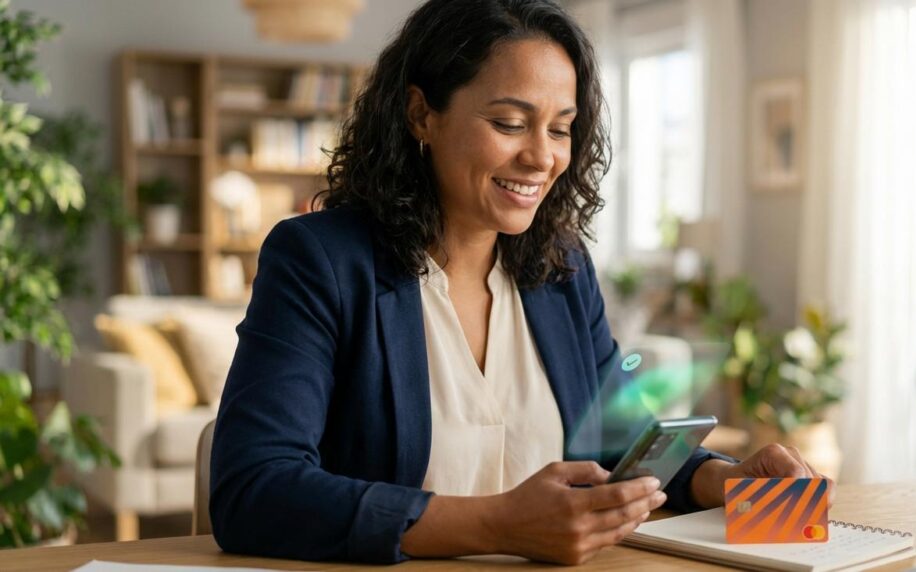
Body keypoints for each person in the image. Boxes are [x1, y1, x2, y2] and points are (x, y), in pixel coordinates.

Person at [209, 0, 833, 565]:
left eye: (560, 128)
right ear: (421, 114)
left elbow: (617, 441)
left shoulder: (560, 268)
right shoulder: (320, 261)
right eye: (510, 123)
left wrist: (720, 480)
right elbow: (253, 489)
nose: (543, 157)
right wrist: (500, 525)